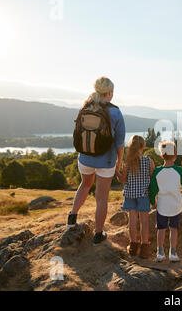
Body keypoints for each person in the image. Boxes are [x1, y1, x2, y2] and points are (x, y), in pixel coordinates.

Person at [67, 77, 126, 246]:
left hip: (85, 158)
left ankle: (72, 217)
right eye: (112, 92)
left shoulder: (86, 106)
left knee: (85, 185)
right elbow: (120, 144)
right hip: (106, 162)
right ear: (109, 93)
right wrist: (119, 162)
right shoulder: (115, 112)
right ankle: (98, 235)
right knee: (101, 198)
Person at [149, 141, 182, 262]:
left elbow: (152, 189)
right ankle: (173, 253)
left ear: (161, 155)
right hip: (175, 205)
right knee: (174, 229)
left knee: (161, 229)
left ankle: (160, 252)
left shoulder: (157, 172)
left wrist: (153, 202)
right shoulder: (179, 170)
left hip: (162, 206)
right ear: (175, 155)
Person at [117, 135, 155, 258]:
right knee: (144, 222)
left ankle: (133, 246)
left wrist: (116, 172)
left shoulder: (128, 162)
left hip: (130, 194)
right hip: (143, 194)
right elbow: (152, 177)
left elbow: (122, 180)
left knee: (132, 221)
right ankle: (144, 248)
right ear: (143, 147)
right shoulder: (149, 161)